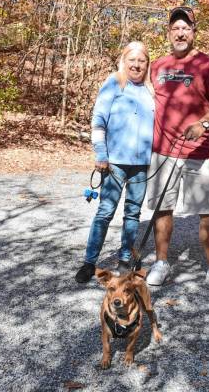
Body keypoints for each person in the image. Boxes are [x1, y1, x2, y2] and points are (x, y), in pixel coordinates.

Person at [146, 6, 209, 298]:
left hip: (199, 151)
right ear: (169, 32)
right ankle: (161, 263)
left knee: (208, 213)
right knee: (163, 209)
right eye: (176, 27)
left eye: (186, 27)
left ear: (194, 31)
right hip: (163, 151)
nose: (181, 32)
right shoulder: (157, 66)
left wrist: (204, 123)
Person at [75, 41, 154, 283]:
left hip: (142, 165)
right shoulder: (114, 82)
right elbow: (98, 119)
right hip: (114, 164)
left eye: (142, 60)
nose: (137, 64)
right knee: (105, 212)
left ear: (147, 64)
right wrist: (101, 154)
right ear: (124, 61)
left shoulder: (151, 90)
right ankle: (89, 262)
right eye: (132, 59)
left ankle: (124, 260)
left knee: (133, 214)